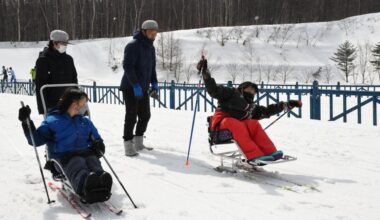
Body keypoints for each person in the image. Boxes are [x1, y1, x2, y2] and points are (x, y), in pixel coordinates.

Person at [199, 58, 302, 164]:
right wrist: (206, 75)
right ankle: (254, 155)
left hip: (236, 128)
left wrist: (287, 105)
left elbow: (267, 111)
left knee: (253, 123)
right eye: (249, 88)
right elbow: (214, 90)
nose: (252, 91)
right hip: (220, 128)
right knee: (234, 123)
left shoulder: (251, 107)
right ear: (242, 89)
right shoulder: (230, 93)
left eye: (254, 90)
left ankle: (270, 152)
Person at [18, 88, 112, 203]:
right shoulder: (53, 121)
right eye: (78, 103)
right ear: (69, 102)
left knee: (93, 160)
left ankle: (101, 182)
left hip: (85, 152)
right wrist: (26, 122)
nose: (81, 107)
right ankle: (83, 185)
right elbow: (36, 140)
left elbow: (96, 137)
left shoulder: (84, 121)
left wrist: (99, 144)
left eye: (83, 104)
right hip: (63, 157)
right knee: (77, 162)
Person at [119, 20, 159, 156]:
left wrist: (154, 83)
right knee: (131, 116)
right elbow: (127, 67)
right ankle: (128, 145)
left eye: (155, 33)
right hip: (130, 87)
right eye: (151, 32)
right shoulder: (133, 46)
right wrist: (135, 84)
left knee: (145, 115)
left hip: (143, 87)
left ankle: (138, 141)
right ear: (143, 31)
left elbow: (151, 68)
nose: (153, 35)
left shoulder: (151, 48)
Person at [35, 30, 78, 115]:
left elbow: (74, 80)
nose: (65, 46)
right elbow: (40, 85)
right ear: (54, 43)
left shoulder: (69, 59)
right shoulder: (44, 60)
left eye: (66, 44)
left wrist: (77, 100)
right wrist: (42, 109)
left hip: (69, 103)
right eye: (62, 44)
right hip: (52, 105)